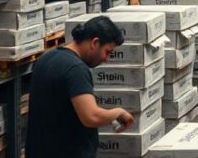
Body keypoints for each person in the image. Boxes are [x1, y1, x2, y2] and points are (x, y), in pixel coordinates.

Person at [27, 16, 133, 158]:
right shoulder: (76, 69)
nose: (106, 59)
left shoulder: (46, 58)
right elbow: (91, 117)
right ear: (95, 42)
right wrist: (118, 112)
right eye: (107, 52)